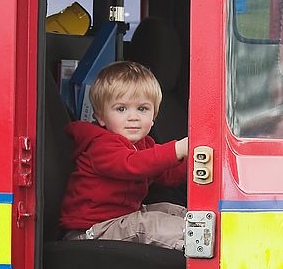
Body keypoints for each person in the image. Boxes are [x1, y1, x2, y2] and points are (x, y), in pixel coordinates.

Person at [60, 60, 189, 250]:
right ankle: (199, 239)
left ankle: (206, 230)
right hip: (93, 231)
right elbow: (132, 164)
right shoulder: (100, 145)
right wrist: (178, 149)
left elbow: (166, 175)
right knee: (149, 224)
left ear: (154, 116)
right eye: (121, 109)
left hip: (121, 219)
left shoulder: (143, 145)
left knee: (170, 210)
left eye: (142, 109)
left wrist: (195, 159)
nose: (133, 117)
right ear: (101, 117)